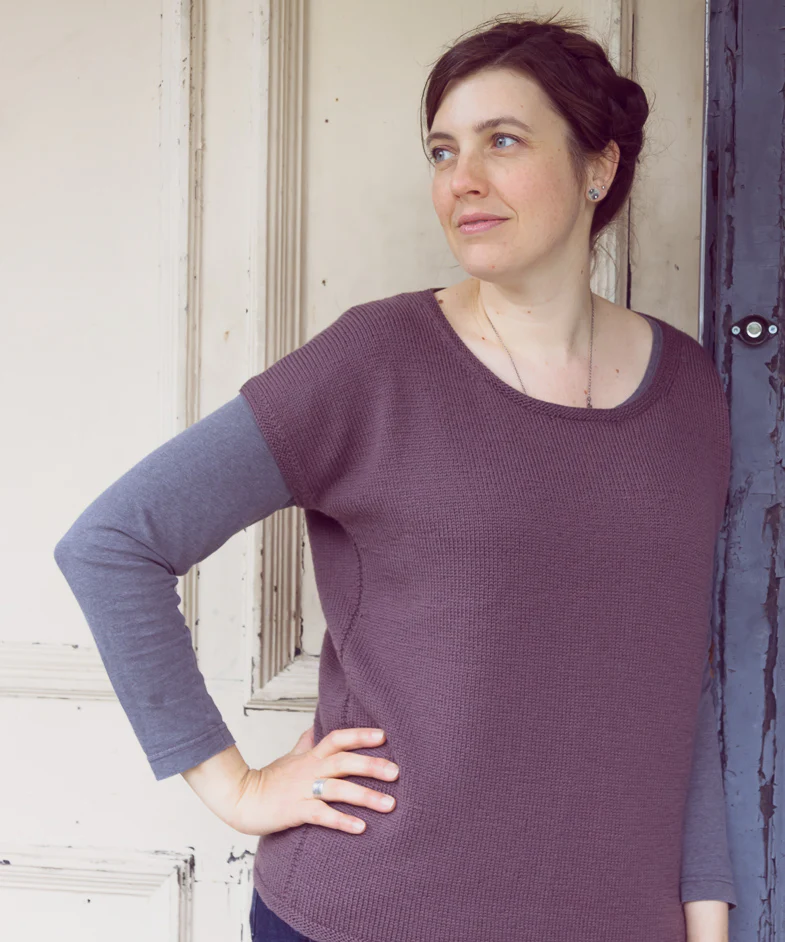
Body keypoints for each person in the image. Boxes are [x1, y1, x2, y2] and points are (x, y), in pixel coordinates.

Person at [53, 12, 737, 942]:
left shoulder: (688, 391)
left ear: (597, 166)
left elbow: (678, 678)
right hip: (368, 912)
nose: (463, 180)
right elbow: (113, 544)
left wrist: (703, 911)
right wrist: (237, 788)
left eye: (502, 141)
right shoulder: (375, 362)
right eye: (442, 151)